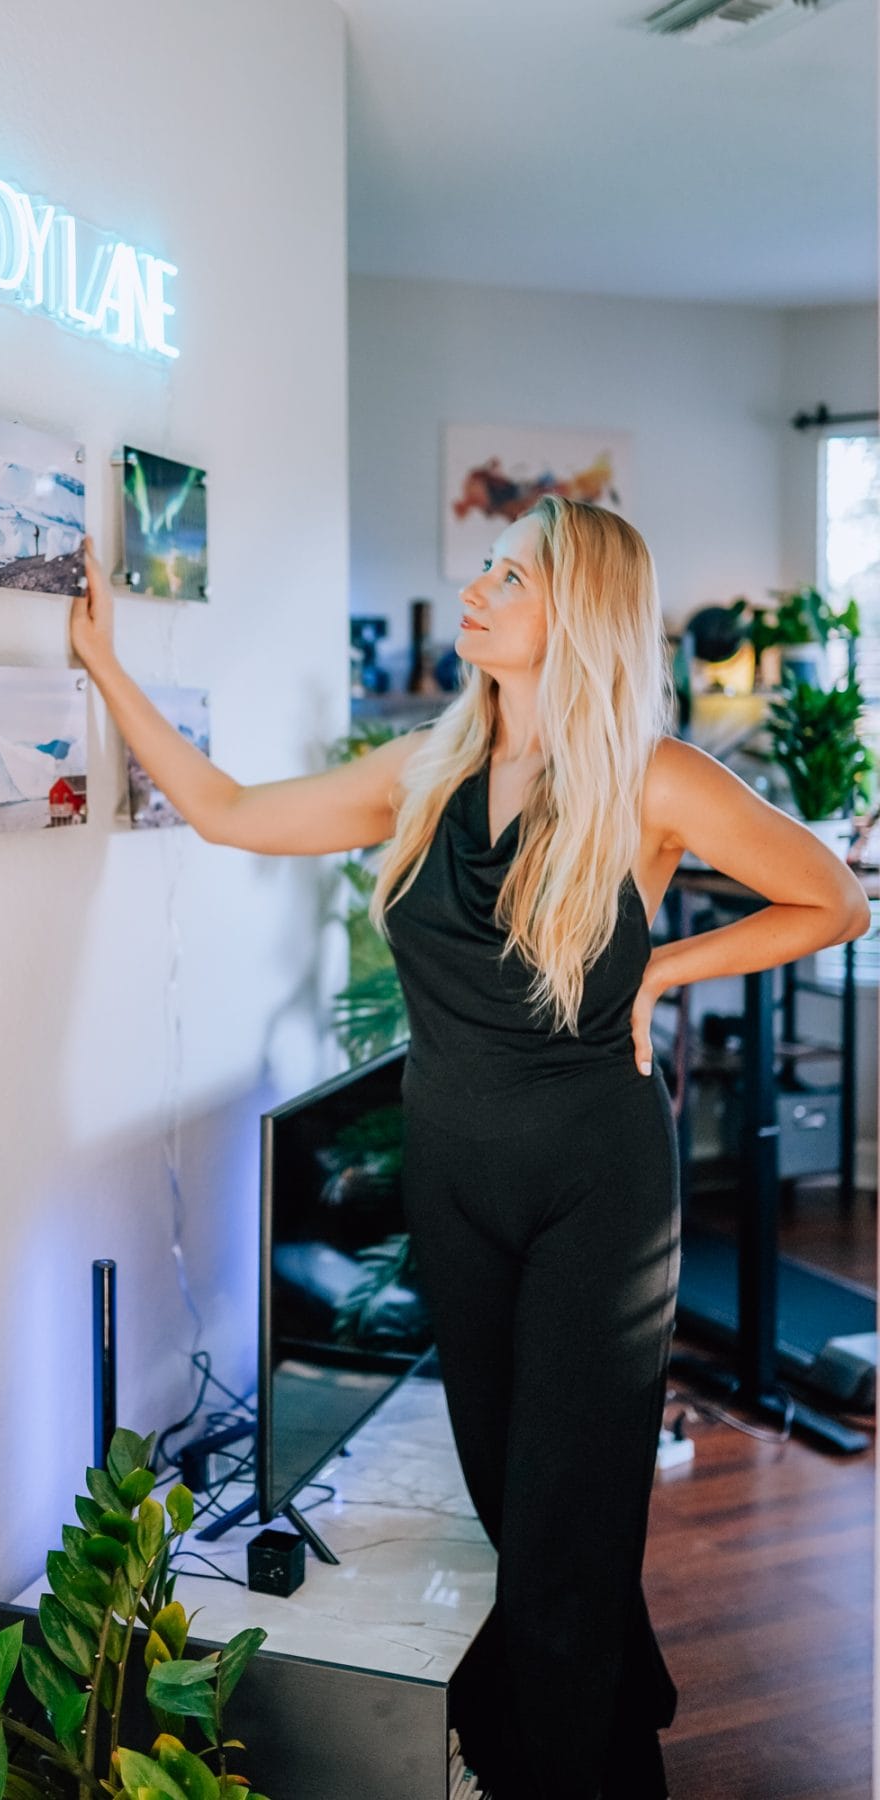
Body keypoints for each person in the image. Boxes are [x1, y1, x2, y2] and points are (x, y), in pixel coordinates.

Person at [68, 506, 871, 1800]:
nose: (479, 588)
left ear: (580, 613)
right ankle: (620, 1710)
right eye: (487, 566)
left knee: (561, 1527)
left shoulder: (652, 778)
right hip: (454, 1175)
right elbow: (224, 811)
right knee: (518, 1499)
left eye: (513, 575)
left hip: (598, 1186)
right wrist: (105, 667)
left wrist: (663, 967)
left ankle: (570, 1772)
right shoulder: (426, 770)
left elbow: (832, 898)